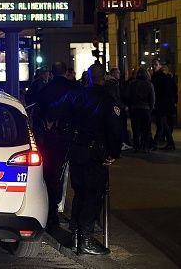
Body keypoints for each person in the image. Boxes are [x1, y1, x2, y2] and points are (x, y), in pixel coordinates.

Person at [47, 63, 122, 255]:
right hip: (95, 153)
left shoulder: (76, 94)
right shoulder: (107, 99)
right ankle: (85, 239)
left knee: (79, 192)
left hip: (75, 150)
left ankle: (76, 236)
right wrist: (114, 153)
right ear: (103, 77)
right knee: (93, 195)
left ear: (88, 77)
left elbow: (53, 110)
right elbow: (114, 129)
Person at [33, 61, 81, 229]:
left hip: (47, 138)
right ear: (65, 72)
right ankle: (60, 213)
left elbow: (37, 113)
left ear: (52, 73)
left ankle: (50, 211)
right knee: (62, 176)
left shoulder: (45, 89)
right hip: (67, 137)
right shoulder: (73, 88)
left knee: (49, 175)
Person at [126, 67, 155, 152]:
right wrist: (151, 108)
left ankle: (136, 146)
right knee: (146, 129)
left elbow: (128, 96)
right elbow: (152, 99)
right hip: (146, 109)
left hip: (135, 109)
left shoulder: (132, 84)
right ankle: (145, 146)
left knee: (136, 129)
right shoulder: (149, 84)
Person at [151, 60, 177, 150]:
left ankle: (154, 144)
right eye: (153, 65)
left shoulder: (162, 77)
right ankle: (171, 143)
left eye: (156, 65)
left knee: (161, 125)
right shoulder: (158, 76)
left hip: (162, 104)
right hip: (161, 104)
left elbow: (166, 92)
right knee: (163, 124)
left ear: (160, 66)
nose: (154, 66)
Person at [105, 68, 131, 151]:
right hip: (115, 108)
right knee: (117, 127)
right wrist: (123, 106)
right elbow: (114, 97)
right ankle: (120, 144)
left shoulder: (113, 83)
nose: (119, 74)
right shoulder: (112, 83)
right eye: (117, 73)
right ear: (113, 74)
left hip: (115, 108)